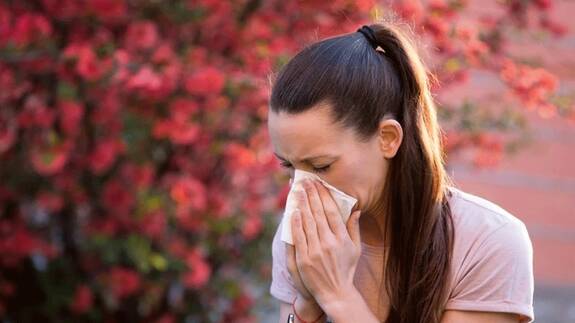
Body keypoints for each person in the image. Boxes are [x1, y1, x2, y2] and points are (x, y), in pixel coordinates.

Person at [266, 22, 534, 323]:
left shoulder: (487, 241)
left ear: (388, 139)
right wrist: (306, 305)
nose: (301, 188)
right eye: (289, 166)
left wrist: (337, 296)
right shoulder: (308, 238)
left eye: (321, 166)